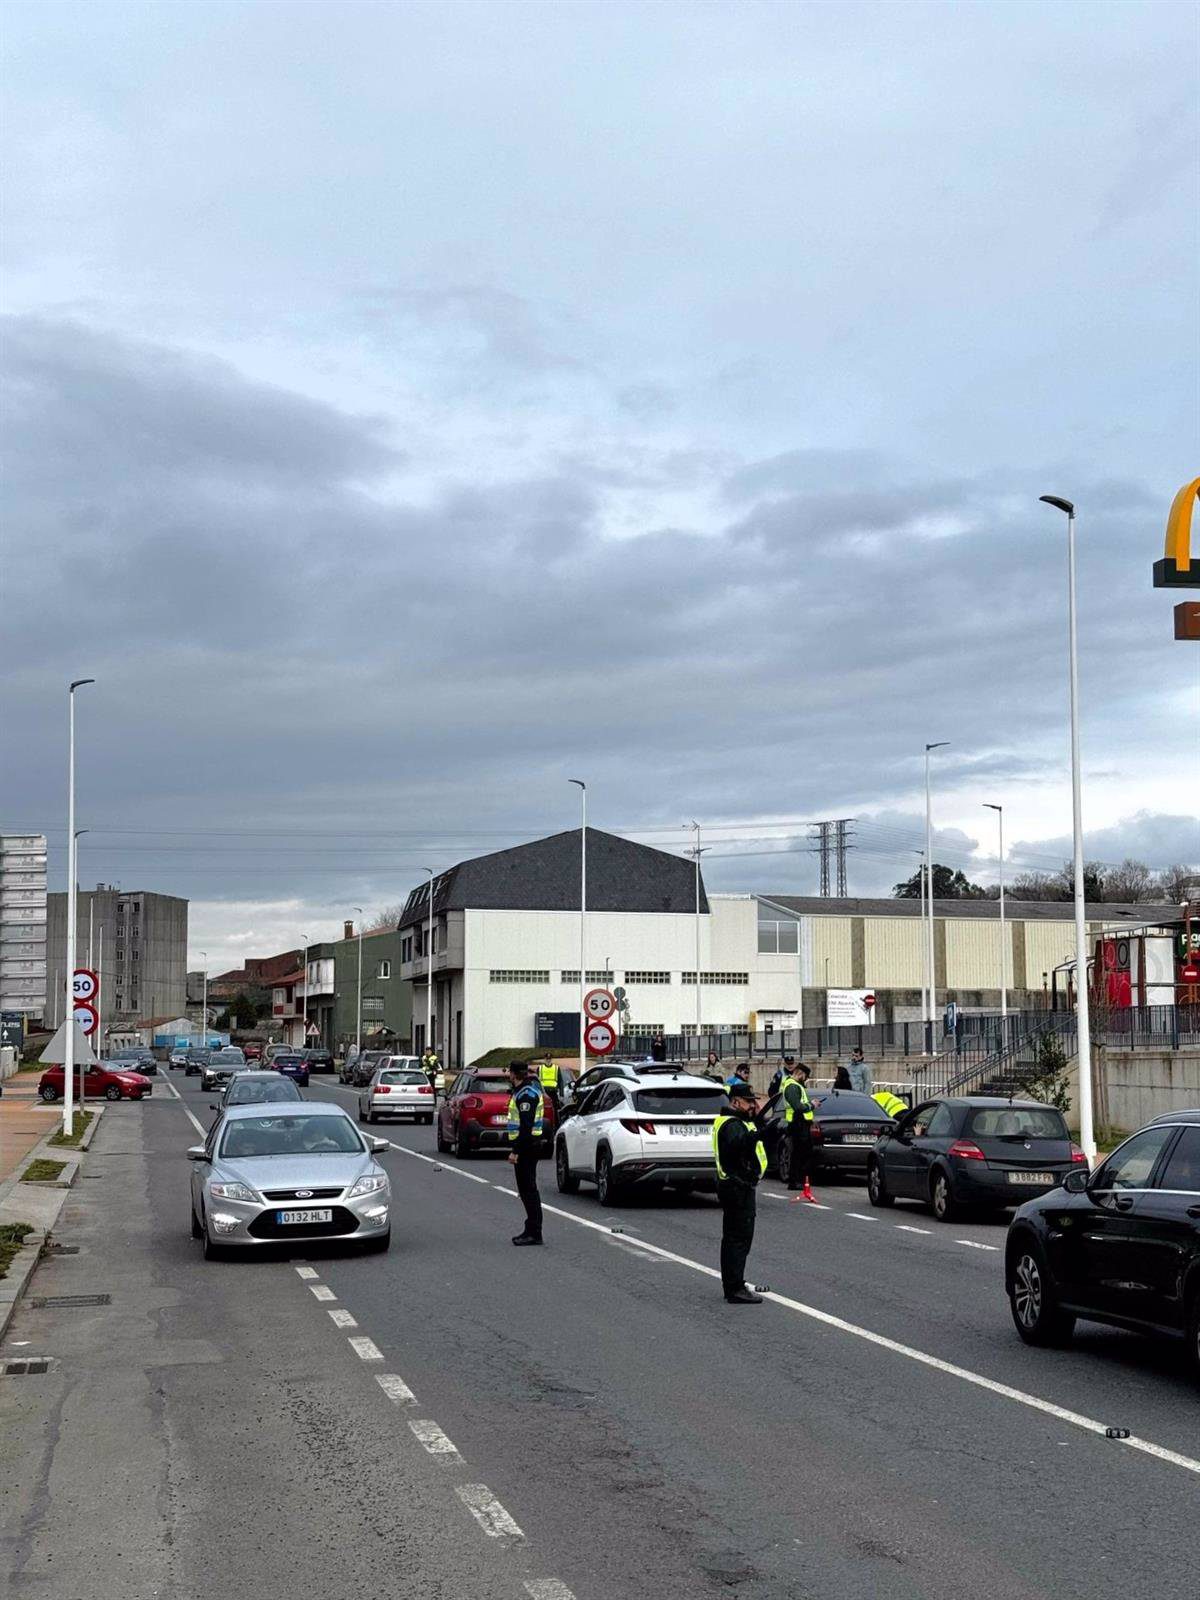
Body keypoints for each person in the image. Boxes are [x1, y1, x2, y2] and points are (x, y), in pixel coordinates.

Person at [712, 1082, 768, 1304]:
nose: (752, 1105)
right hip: (738, 1187)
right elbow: (739, 1147)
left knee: (735, 1238)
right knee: (738, 1239)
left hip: (736, 1186)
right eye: (748, 1101)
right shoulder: (733, 1125)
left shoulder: (735, 1121)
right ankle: (734, 1287)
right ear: (736, 1102)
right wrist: (758, 1134)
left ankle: (734, 1283)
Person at [505, 1061, 546, 1246]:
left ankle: (534, 1232)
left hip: (527, 1147)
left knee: (528, 1190)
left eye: (510, 1072)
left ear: (514, 1074)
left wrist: (515, 1151)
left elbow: (526, 1126)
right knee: (526, 1190)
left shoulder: (526, 1095)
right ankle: (531, 1229)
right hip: (529, 1145)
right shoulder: (524, 1091)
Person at [781, 1060, 816, 1203]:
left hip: (801, 1122)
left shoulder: (795, 1086)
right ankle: (795, 1181)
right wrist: (811, 1105)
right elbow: (797, 1106)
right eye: (805, 1077)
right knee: (798, 1153)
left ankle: (799, 1180)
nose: (806, 1080)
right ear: (800, 1074)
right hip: (797, 1122)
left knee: (801, 1152)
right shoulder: (792, 1087)